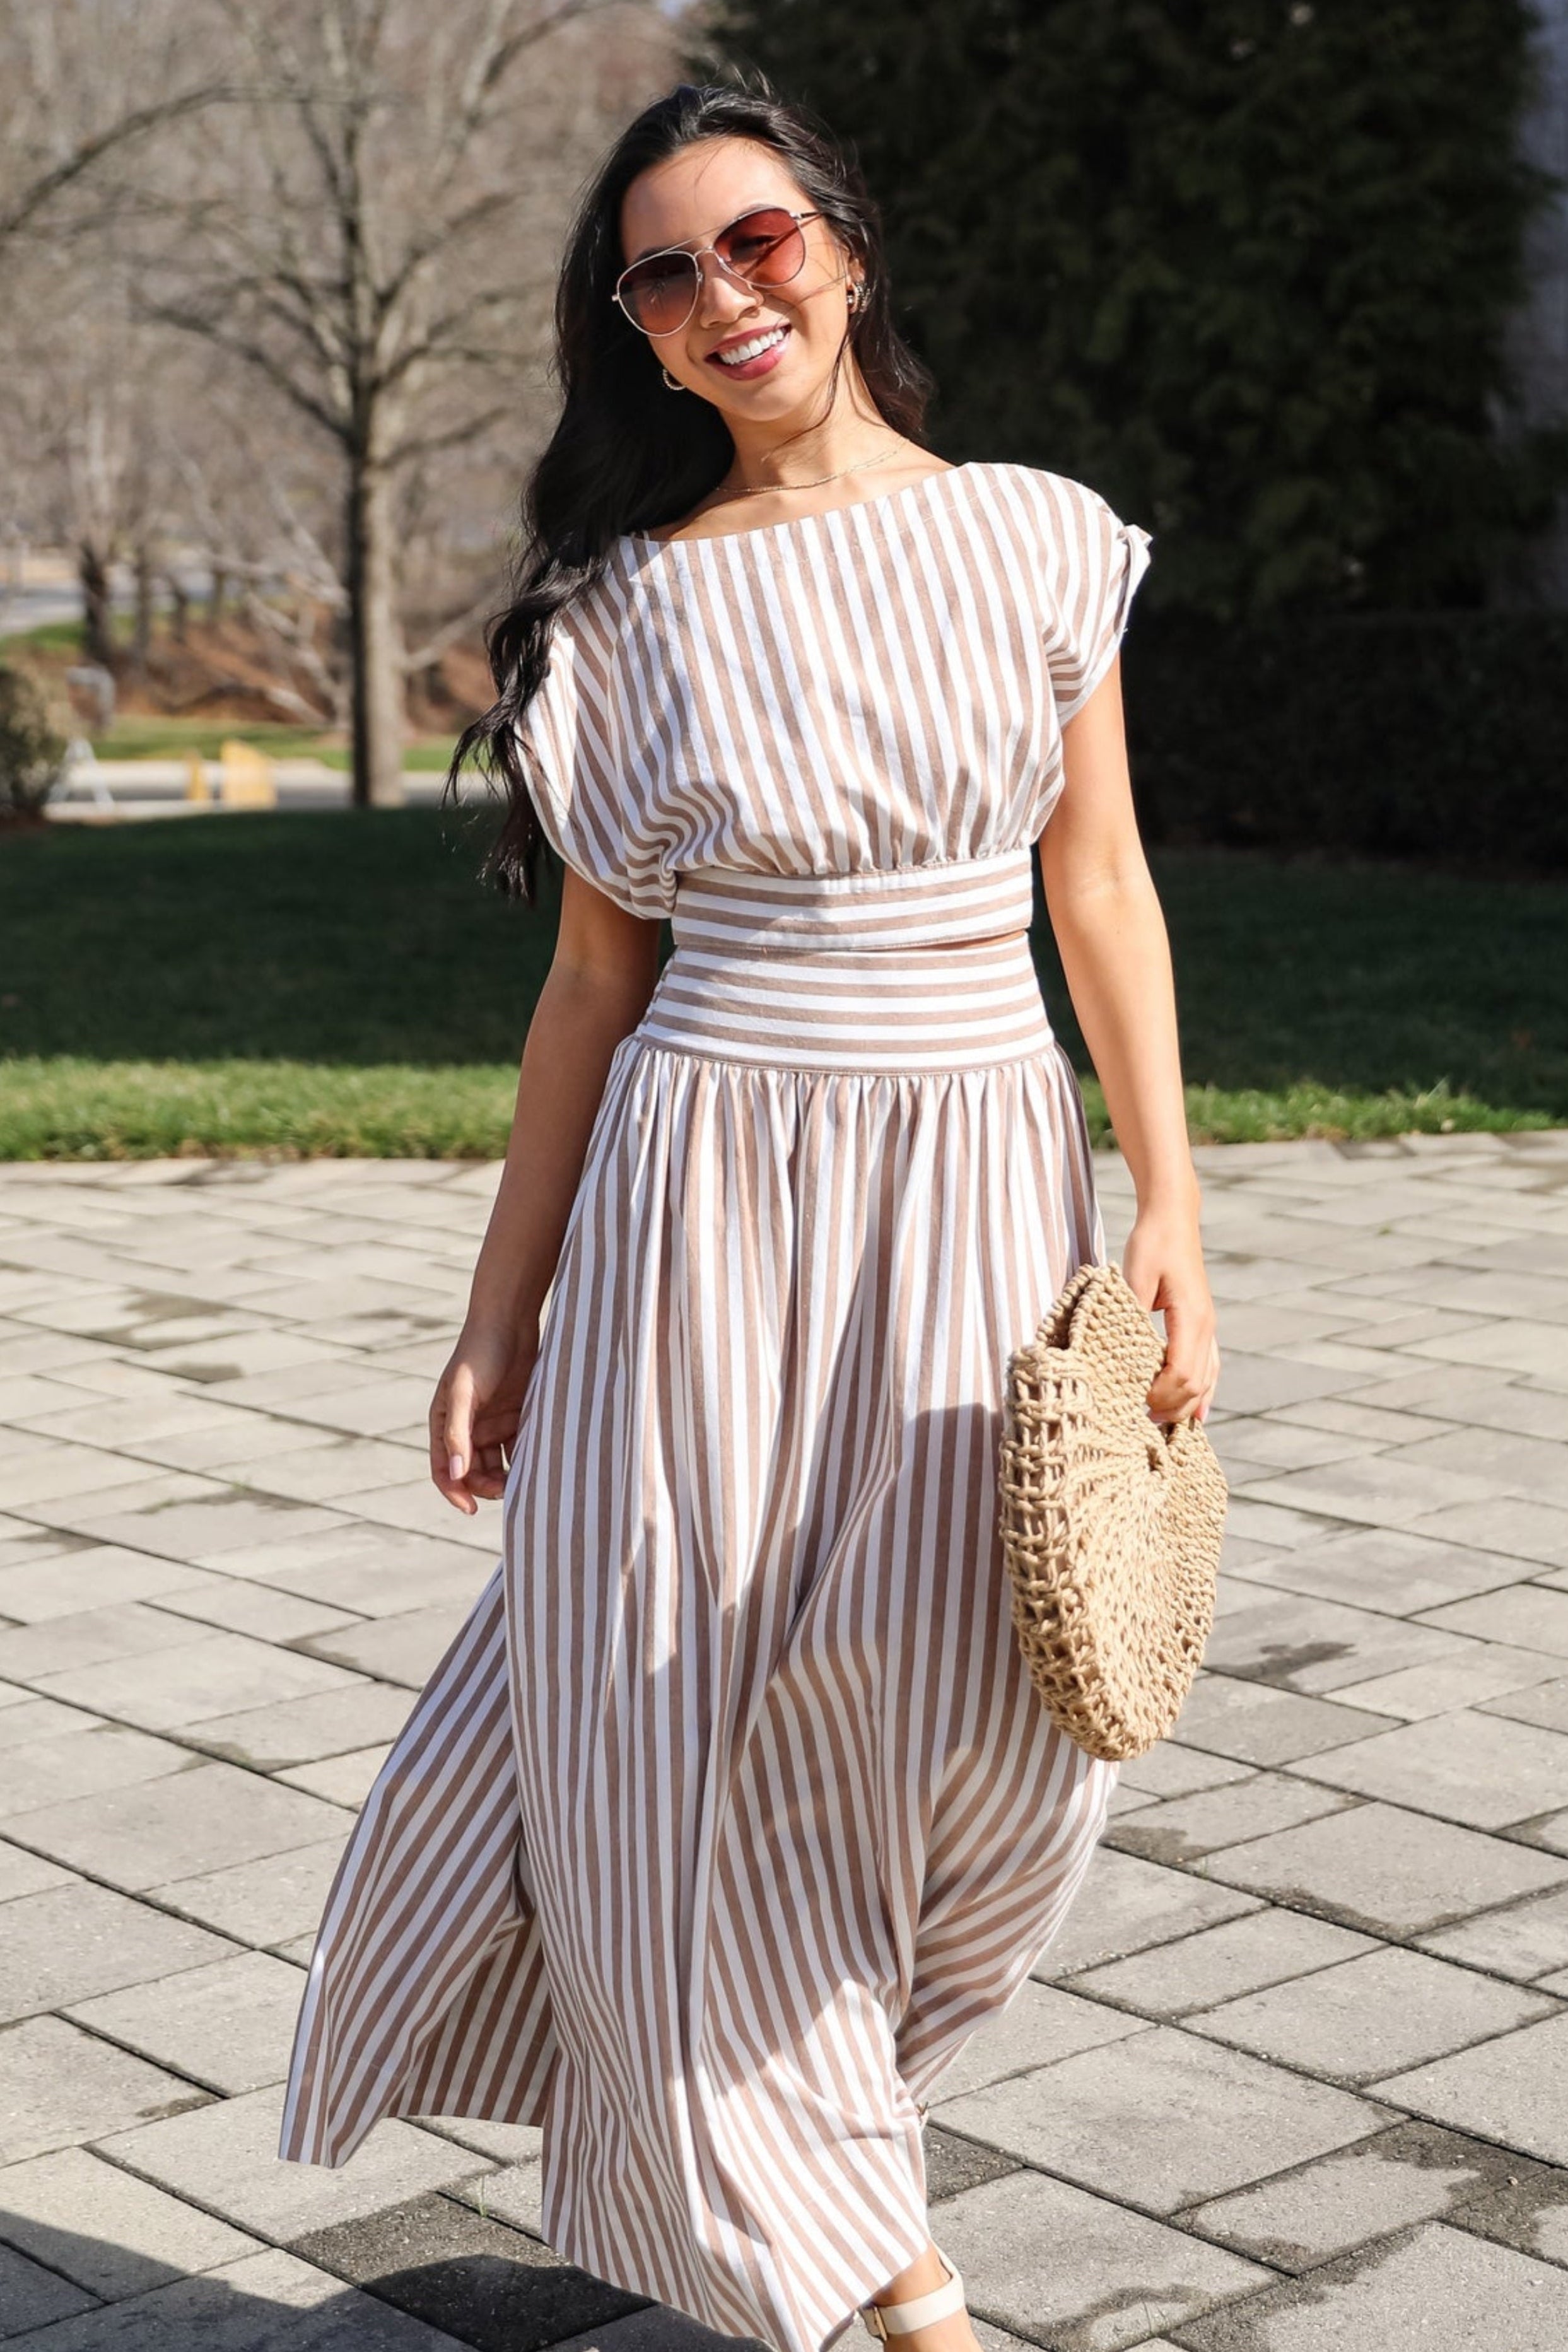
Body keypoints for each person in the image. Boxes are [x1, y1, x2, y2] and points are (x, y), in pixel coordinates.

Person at [278, 76, 1220, 2352]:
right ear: (639, 330)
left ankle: (816, 2173)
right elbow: (590, 991)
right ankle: (900, 2281)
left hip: (975, 1179)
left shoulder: (1034, 538)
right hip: (698, 1202)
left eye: (759, 240)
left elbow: (1098, 889)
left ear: (847, 250)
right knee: (667, 1712)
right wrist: (500, 1315)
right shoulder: (621, 609)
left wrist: (1175, 1201)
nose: (724, 294)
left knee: (979, 1723)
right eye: (666, 274)